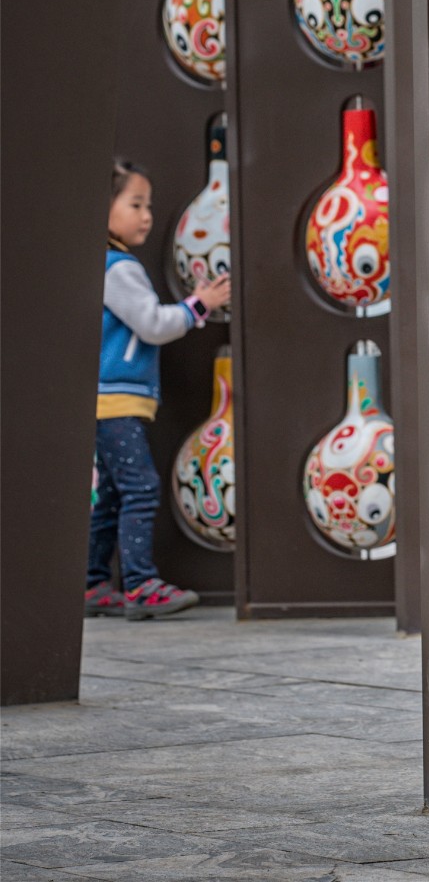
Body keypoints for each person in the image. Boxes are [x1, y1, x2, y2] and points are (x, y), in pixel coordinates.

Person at [85, 157, 231, 620]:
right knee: (141, 487)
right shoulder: (119, 269)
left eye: (148, 205)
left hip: (108, 401)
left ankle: (93, 585)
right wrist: (198, 305)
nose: (146, 215)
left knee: (112, 493)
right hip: (115, 402)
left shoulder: (106, 266)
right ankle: (140, 584)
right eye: (135, 204)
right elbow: (153, 324)